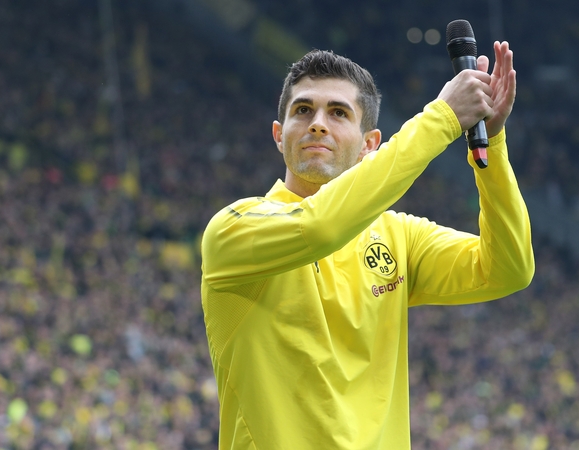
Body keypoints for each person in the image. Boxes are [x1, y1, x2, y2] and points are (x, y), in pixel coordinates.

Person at [200, 43, 534, 449]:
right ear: (278, 134)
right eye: (303, 111)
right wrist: (442, 118)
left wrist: (492, 146)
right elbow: (320, 227)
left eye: (338, 113)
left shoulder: (399, 236)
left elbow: (509, 268)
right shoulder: (234, 229)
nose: (318, 124)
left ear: (369, 145)